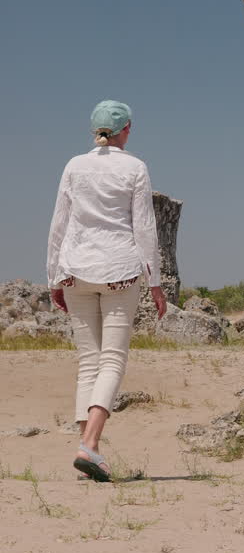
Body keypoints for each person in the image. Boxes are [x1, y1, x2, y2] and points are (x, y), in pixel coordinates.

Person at [47, 100, 167, 481]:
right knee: (113, 359)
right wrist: (156, 282)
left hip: (76, 269)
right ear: (126, 129)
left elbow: (59, 222)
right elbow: (144, 226)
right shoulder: (135, 167)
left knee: (89, 361)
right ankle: (91, 445)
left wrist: (53, 276)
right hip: (119, 269)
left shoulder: (74, 165)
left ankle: (88, 453)